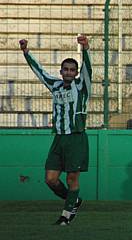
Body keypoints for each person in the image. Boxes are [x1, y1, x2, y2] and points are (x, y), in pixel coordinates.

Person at [20, 35, 91, 225]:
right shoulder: (55, 85)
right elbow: (39, 72)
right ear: (61, 72)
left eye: (72, 70)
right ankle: (73, 200)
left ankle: (66, 216)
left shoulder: (82, 86)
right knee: (50, 179)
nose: (69, 72)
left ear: (76, 72)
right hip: (59, 138)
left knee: (71, 178)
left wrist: (85, 49)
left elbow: (88, 70)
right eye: (65, 69)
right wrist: (26, 52)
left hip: (76, 138)